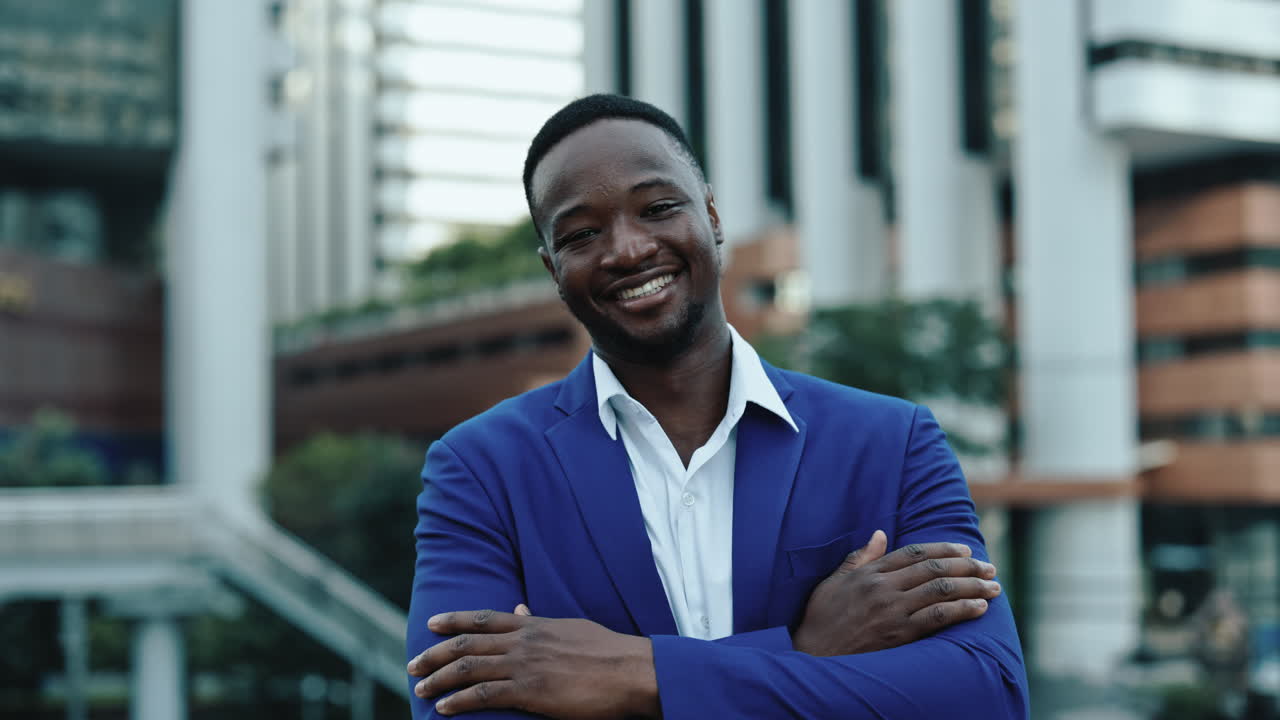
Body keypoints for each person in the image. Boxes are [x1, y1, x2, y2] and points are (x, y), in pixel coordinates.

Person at [406, 94, 1029, 719]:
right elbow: (456, 709)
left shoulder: (893, 443)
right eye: (582, 234)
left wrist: (637, 676)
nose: (626, 249)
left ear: (710, 212)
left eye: (657, 208)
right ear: (553, 267)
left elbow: (985, 694)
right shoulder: (480, 469)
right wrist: (803, 649)